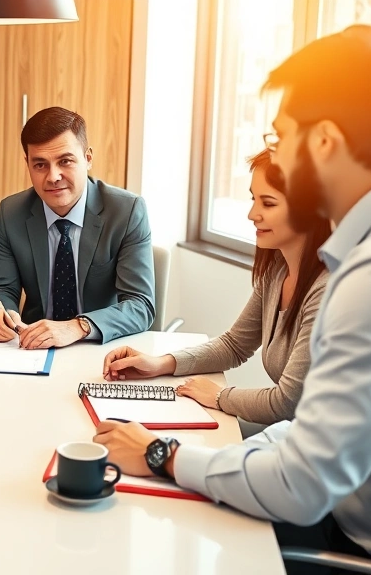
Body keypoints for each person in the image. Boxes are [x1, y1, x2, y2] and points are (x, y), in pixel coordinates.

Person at [94, 25, 371, 573]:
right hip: (353, 518)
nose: (275, 154)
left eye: (282, 138)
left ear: (323, 141)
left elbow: (299, 485)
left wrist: (162, 454)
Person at [103, 150, 331, 428]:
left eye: (268, 203)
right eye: (253, 199)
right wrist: (161, 363)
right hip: (288, 431)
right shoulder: (277, 270)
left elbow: (286, 402)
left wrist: (220, 396)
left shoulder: (324, 291)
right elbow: (234, 345)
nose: (252, 214)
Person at [0, 106, 154, 349]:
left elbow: (141, 304)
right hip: (33, 348)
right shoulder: (10, 213)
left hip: (101, 347)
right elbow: (2, 289)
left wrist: (77, 326)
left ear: (88, 158)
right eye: (40, 165)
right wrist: (1, 315)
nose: (53, 176)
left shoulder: (127, 212)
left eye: (65, 161)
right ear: (27, 164)